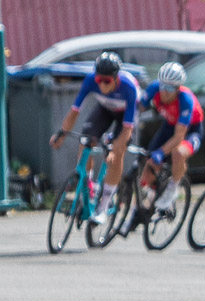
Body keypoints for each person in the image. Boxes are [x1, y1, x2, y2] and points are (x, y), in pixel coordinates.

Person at [50, 52, 141, 224]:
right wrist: (61, 133)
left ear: (116, 79)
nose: (102, 85)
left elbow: (128, 128)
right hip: (105, 110)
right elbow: (74, 111)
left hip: (125, 116)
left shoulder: (128, 87)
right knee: (86, 140)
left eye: (107, 81)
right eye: (99, 80)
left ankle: (104, 206)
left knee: (117, 152)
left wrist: (115, 149)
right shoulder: (91, 80)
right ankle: (88, 186)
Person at [138, 62, 204, 211]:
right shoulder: (154, 89)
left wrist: (161, 153)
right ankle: (147, 198)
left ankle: (173, 188)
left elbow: (179, 136)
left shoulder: (186, 100)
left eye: (170, 88)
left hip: (191, 130)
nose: (165, 92)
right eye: (163, 86)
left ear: (178, 88)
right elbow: (137, 110)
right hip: (169, 126)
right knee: (149, 162)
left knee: (178, 153)